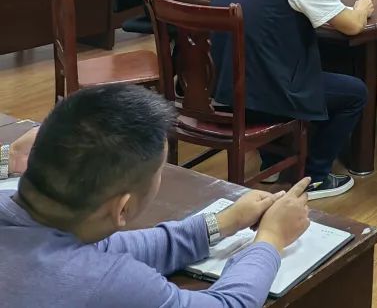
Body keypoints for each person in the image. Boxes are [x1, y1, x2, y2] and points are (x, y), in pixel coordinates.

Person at [0, 84, 312, 308]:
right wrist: (270, 239)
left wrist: (221, 223)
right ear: (123, 209)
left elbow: (107, 246)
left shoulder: (24, 215)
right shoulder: (105, 282)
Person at [211, 0, 373, 198]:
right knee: (355, 93)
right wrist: (361, 7)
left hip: (227, 88)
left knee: (272, 56)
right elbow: (351, 26)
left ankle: (272, 161)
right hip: (271, 92)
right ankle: (315, 176)